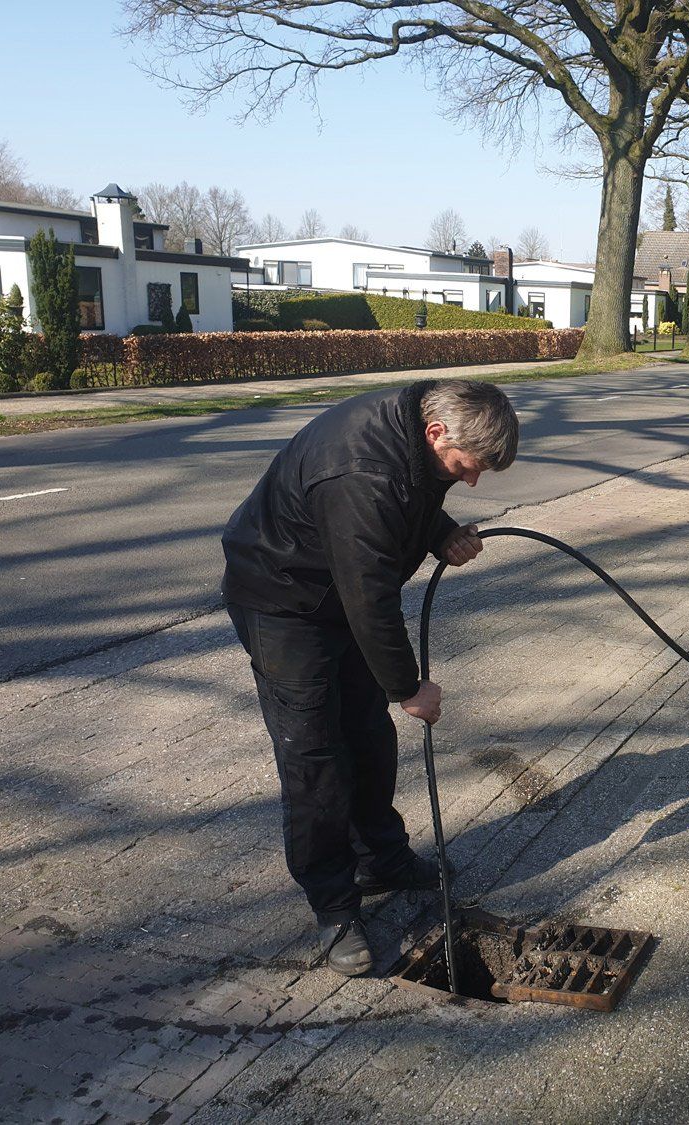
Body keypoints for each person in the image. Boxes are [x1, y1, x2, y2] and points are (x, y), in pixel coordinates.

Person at [222, 378, 519, 976]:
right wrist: (409, 688)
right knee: (316, 756)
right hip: (283, 602)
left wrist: (439, 532)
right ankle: (334, 906)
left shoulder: (411, 430)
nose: (472, 481)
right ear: (437, 433)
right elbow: (369, 596)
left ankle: (381, 857)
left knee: (368, 736)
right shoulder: (359, 470)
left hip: (336, 593)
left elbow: (408, 497)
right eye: (468, 466)